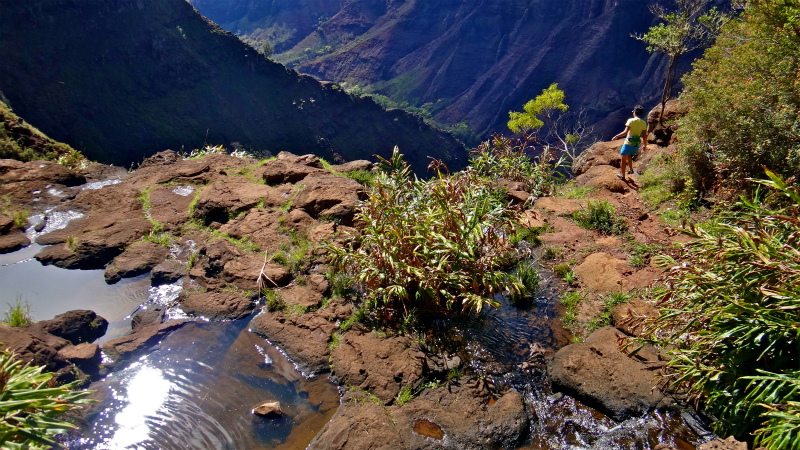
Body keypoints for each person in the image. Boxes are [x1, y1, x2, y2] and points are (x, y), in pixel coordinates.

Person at [612, 105, 648, 182]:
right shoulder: (643, 123)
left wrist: (616, 136)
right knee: (630, 156)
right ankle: (631, 170)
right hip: (636, 144)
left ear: (634, 112)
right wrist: (645, 145)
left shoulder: (630, 120)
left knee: (623, 158)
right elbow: (644, 135)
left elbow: (625, 132)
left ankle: (622, 175)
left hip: (628, 143)